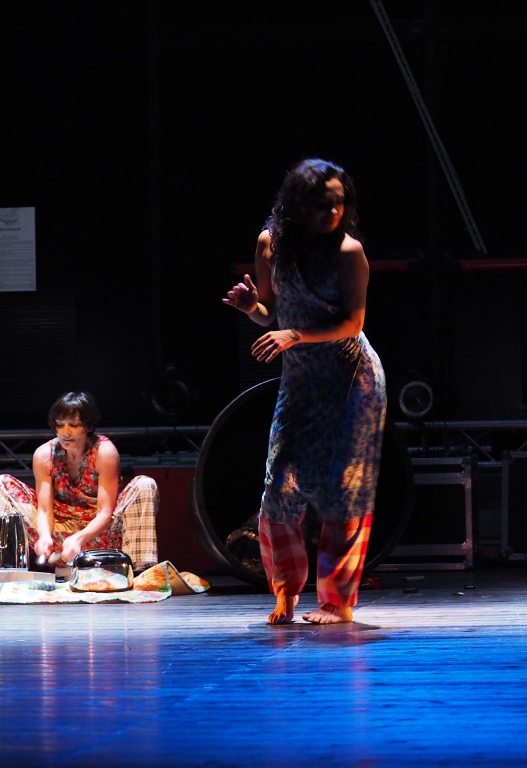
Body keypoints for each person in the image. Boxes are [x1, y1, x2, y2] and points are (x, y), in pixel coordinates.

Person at [222, 157, 387, 625]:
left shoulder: (348, 252)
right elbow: (270, 314)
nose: (332, 212)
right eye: (321, 204)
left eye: (339, 203)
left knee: (344, 489)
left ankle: (338, 601)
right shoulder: (270, 244)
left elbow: (352, 323)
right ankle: (286, 590)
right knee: (279, 486)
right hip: (301, 379)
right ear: (298, 205)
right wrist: (250, 306)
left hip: (352, 379)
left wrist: (294, 335)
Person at [0, 391, 159, 571]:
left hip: (98, 536)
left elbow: (105, 513)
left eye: (74, 425)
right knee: (0, 484)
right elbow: (44, 510)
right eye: (60, 425)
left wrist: (79, 538)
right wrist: (44, 536)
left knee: (144, 484)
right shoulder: (44, 454)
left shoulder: (104, 452)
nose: (66, 432)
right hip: (58, 535)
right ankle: (0, 566)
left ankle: (140, 570)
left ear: (88, 426)